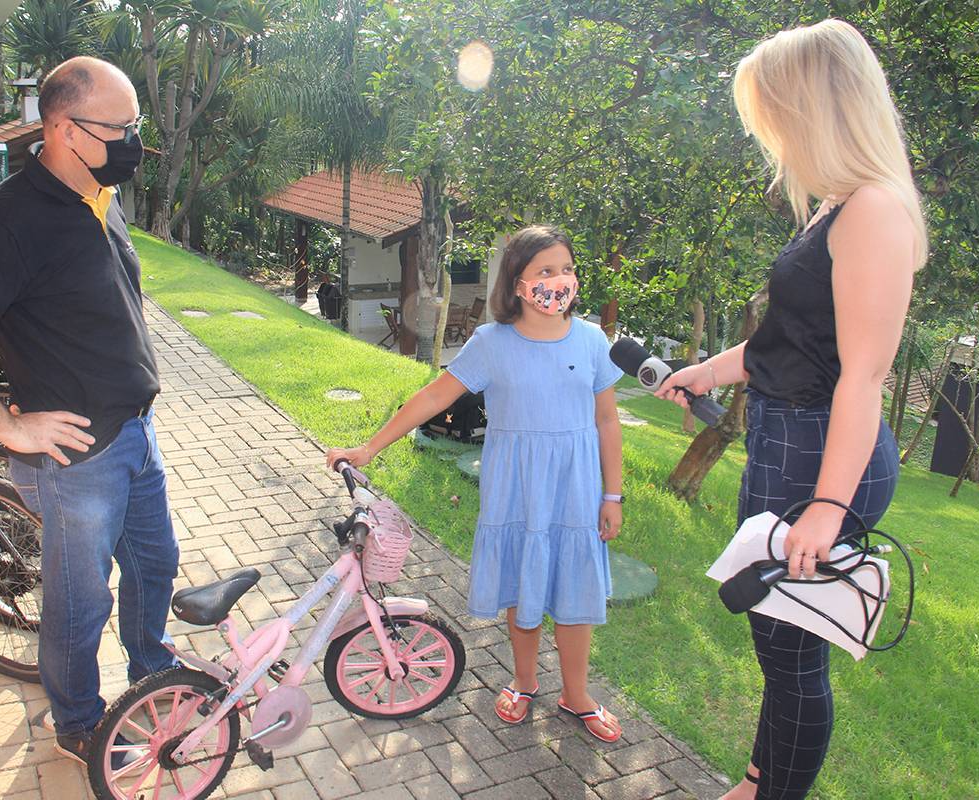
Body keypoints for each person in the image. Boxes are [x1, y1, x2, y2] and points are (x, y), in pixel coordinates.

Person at [655, 19, 926, 800]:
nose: (767, 132)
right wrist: (706, 370)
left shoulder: (873, 209)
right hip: (788, 439)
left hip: (819, 455)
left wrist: (827, 509)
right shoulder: (837, 205)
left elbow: (861, 377)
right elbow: (792, 340)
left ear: (815, 107)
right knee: (776, 640)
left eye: (772, 111)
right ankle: (755, 780)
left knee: (789, 650)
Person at [0, 56, 179, 765]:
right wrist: (4, 424)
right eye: (118, 128)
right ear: (62, 129)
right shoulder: (14, 220)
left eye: (135, 125)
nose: (132, 141)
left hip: (135, 435)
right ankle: (80, 723)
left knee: (155, 567)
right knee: (81, 604)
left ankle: (155, 677)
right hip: (77, 462)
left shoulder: (97, 194)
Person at [326, 224, 626, 742]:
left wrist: (613, 494)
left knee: (576, 591)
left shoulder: (593, 339)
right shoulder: (493, 343)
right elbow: (433, 398)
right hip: (516, 485)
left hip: (576, 486)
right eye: (546, 271)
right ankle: (525, 682)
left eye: (567, 269)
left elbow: (607, 421)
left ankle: (577, 696)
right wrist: (370, 447)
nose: (560, 280)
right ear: (517, 283)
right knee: (522, 584)